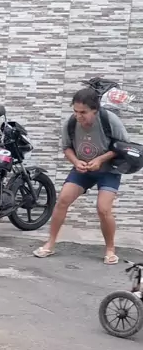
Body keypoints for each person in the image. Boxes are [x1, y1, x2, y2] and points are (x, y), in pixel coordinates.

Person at [33, 87, 129, 264]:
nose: (78, 116)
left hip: (109, 171)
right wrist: (76, 162)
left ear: (95, 110)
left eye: (83, 112)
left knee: (103, 209)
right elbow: (67, 148)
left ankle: (110, 249)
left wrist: (100, 159)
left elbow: (124, 146)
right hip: (82, 169)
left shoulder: (109, 120)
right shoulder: (71, 122)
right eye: (75, 111)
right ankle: (50, 244)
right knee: (62, 200)